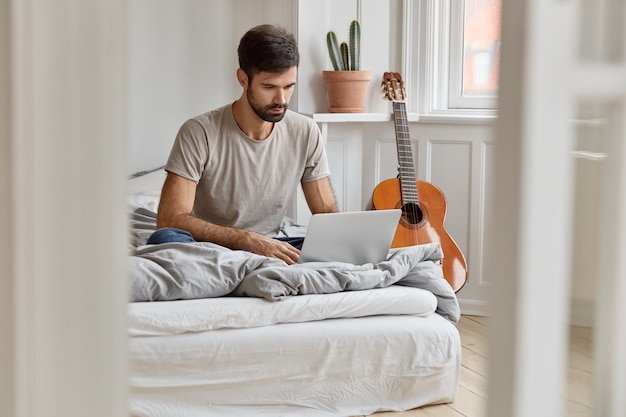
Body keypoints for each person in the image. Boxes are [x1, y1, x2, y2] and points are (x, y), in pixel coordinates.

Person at [148, 24, 339, 265]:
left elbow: (327, 215)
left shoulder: (306, 131)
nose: (281, 99)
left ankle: (246, 267)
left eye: (289, 86)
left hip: (271, 246)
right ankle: (243, 265)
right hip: (208, 247)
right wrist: (247, 239)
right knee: (164, 238)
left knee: (321, 247)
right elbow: (170, 218)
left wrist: (348, 243)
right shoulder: (199, 132)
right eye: (269, 87)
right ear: (243, 78)